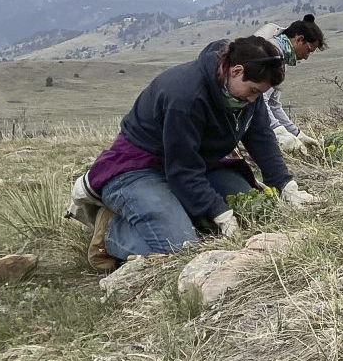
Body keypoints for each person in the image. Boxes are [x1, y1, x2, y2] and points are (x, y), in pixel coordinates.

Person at [66, 36, 317, 271]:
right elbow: (181, 169)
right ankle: (111, 230)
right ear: (236, 70)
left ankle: (177, 211)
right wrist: (218, 210)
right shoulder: (185, 96)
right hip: (137, 170)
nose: (254, 99)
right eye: (252, 91)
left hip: (196, 166)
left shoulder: (245, 95)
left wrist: (285, 185)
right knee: (181, 247)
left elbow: (260, 136)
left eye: (259, 94)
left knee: (252, 212)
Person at [254, 14, 327, 153]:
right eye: (309, 50)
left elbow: (273, 104)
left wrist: (296, 133)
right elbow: (259, 101)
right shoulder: (272, 56)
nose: (306, 57)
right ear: (299, 39)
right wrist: (278, 131)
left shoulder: (279, 56)